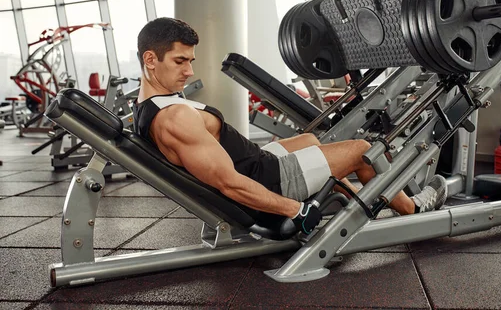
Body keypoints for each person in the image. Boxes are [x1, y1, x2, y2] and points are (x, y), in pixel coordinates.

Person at [133, 17, 447, 235]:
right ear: (150, 59)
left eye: (190, 61)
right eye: (179, 61)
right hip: (268, 180)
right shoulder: (175, 118)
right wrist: (295, 210)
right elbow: (229, 184)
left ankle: (362, 204)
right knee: (363, 150)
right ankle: (412, 211)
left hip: (258, 160)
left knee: (311, 139)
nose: (188, 71)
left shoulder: (149, 104)